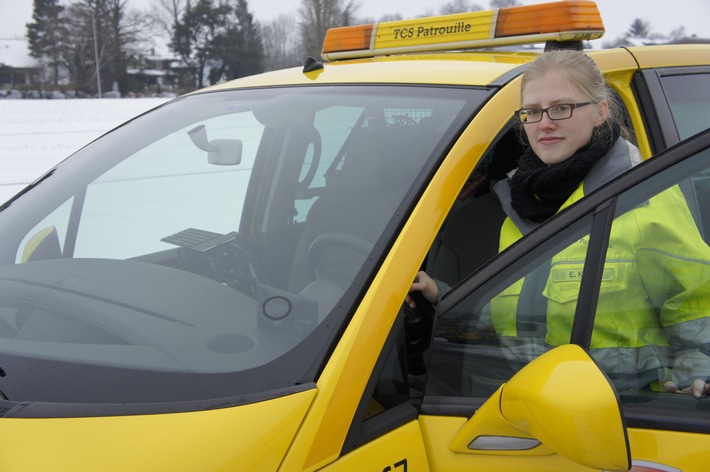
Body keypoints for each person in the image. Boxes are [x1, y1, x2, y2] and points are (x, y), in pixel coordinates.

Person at [410, 49, 710, 398]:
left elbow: (695, 307)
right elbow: (519, 324)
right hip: (530, 414)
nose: (545, 123)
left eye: (561, 108)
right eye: (532, 112)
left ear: (600, 112)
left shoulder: (644, 196)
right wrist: (440, 295)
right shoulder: (519, 206)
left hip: (627, 421)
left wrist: (699, 376)